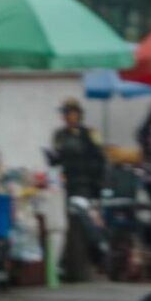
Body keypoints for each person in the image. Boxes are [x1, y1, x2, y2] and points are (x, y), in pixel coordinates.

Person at [48, 97, 108, 280]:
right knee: (71, 224)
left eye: (70, 113)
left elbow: (100, 159)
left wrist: (98, 185)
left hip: (85, 183)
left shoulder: (89, 134)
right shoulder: (60, 135)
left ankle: (98, 249)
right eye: (65, 113)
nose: (67, 117)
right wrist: (52, 158)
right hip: (68, 183)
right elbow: (56, 159)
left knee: (82, 218)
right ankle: (73, 264)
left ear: (78, 114)